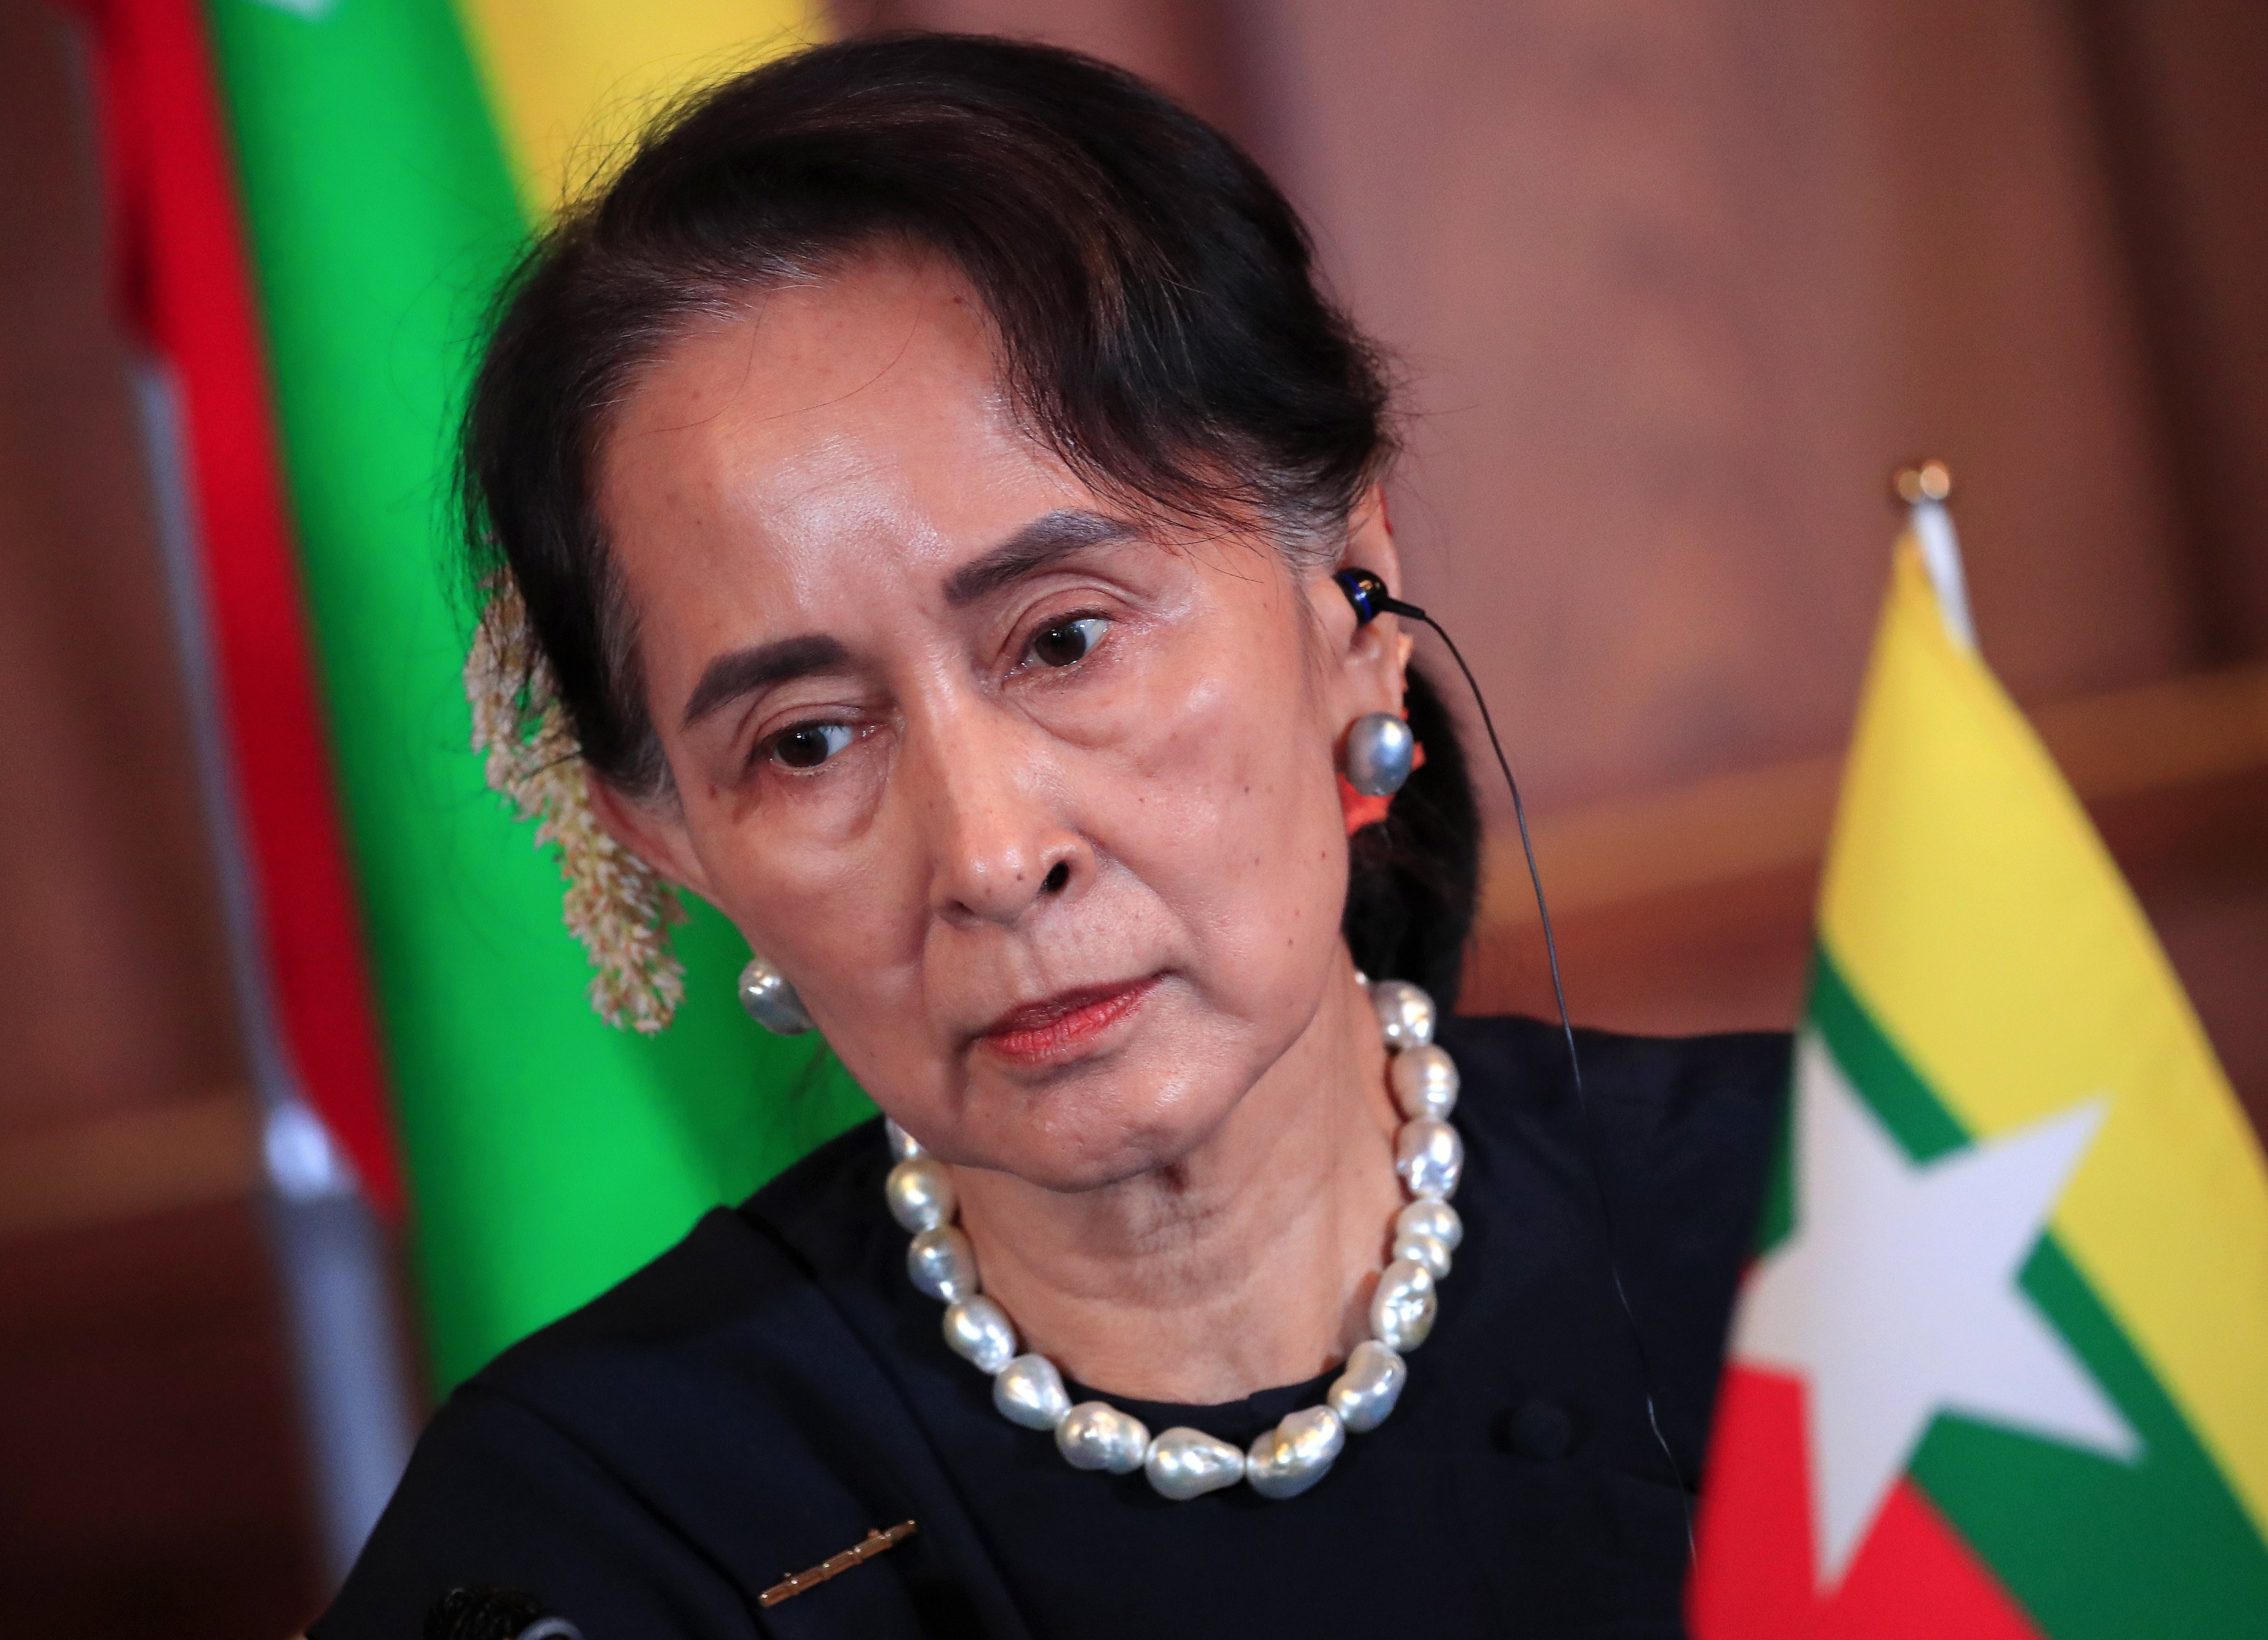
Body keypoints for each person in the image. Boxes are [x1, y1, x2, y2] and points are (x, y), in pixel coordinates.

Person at [316, 33, 1784, 1640]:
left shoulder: (1852, 1228)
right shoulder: (600, 1529)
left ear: (1354, 595)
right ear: (662, 836)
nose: (996, 856)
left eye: (1065, 639)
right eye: (805, 742)